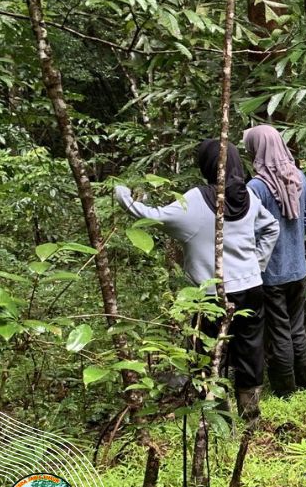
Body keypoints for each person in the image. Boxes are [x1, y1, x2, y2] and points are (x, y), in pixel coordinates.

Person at [115, 140, 279, 420]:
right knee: (250, 352)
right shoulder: (249, 196)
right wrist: (256, 264)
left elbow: (153, 217)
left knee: (207, 355)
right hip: (251, 288)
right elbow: (271, 228)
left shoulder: (195, 200)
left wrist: (122, 194)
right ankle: (250, 418)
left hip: (212, 294)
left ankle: (217, 421)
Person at [243, 125, 306, 397]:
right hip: (298, 269)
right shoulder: (300, 179)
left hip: (270, 273)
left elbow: (249, 231)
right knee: (297, 329)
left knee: (279, 331)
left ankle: (285, 391)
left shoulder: (256, 187)